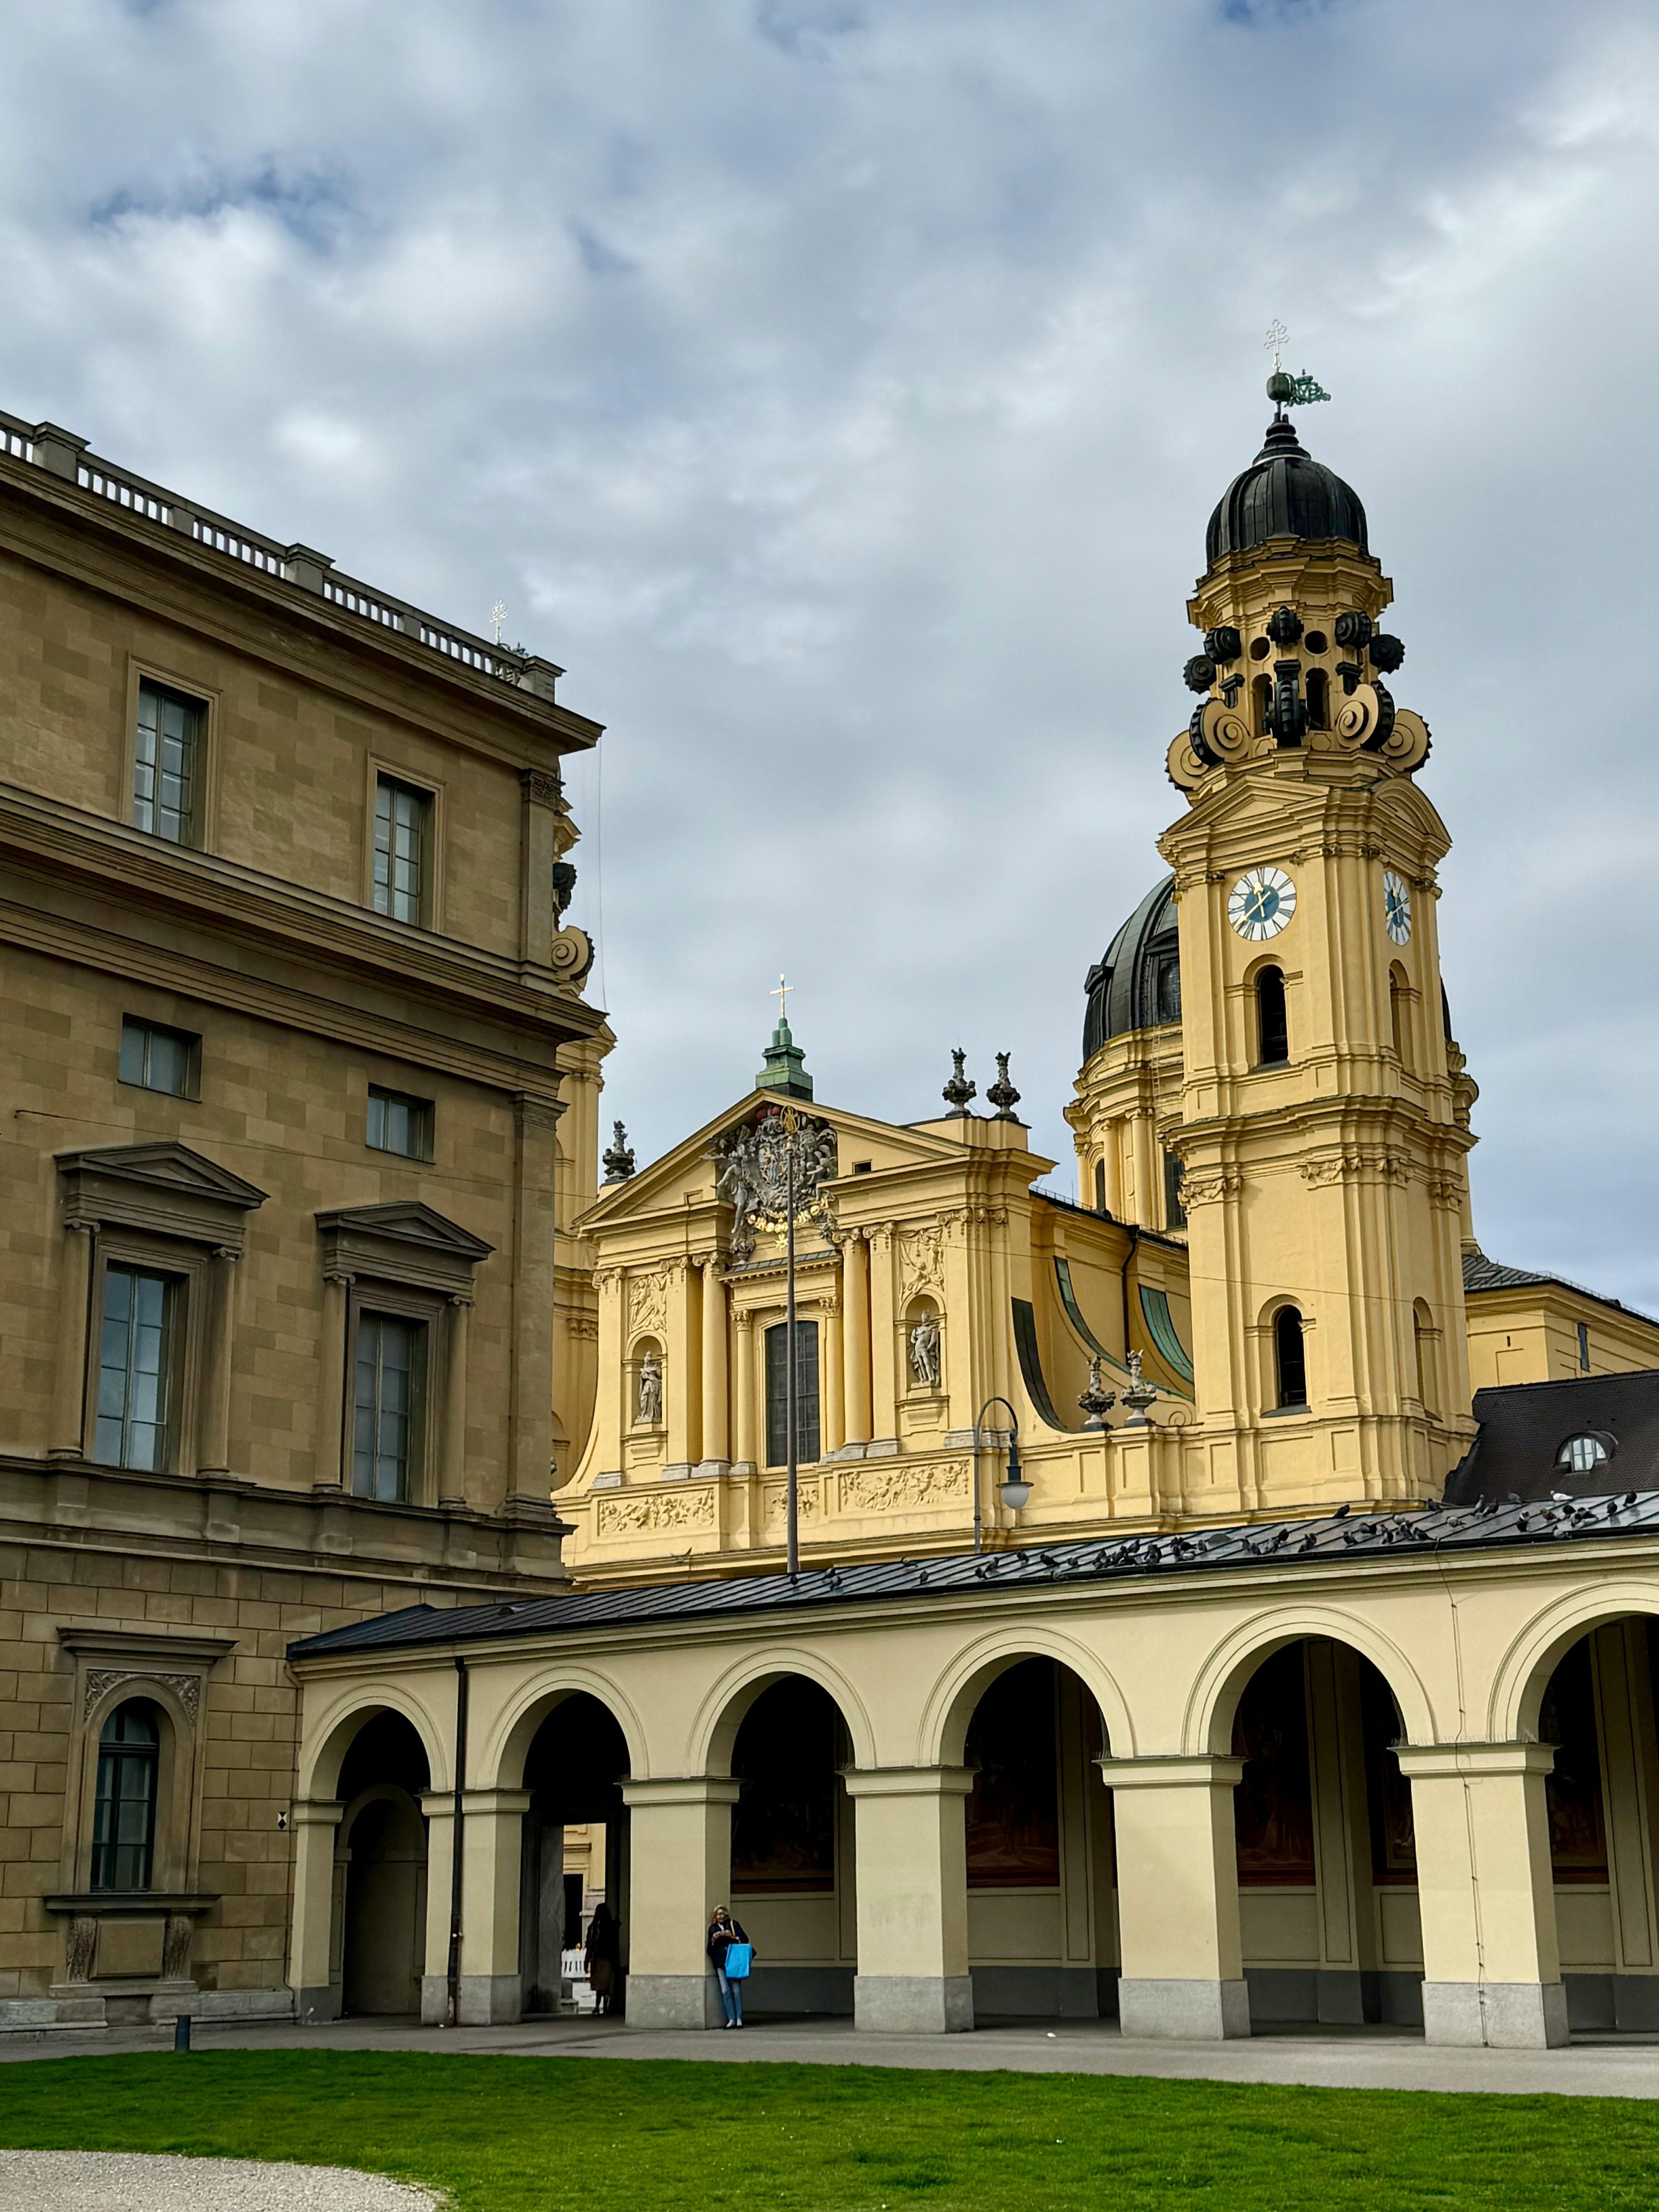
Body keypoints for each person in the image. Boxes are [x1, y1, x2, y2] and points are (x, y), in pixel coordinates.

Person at [706, 1905, 752, 2029]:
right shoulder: (713, 1929)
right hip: (721, 1964)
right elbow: (710, 1950)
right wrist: (714, 1940)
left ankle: (739, 2019)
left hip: (733, 1962)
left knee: (736, 1990)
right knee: (725, 1991)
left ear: (726, 1915)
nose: (720, 1917)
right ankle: (731, 2019)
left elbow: (744, 1940)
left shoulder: (733, 1925)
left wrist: (731, 1936)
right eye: (718, 1915)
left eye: (722, 1914)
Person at [584, 1901, 622, 2018]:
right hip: (608, 1958)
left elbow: (590, 1945)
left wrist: (587, 1960)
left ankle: (598, 2005)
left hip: (598, 1958)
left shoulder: (594, 1927)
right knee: (607, 1983)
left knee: (600, 1986)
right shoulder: (610, 1926)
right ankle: (609, 2005)